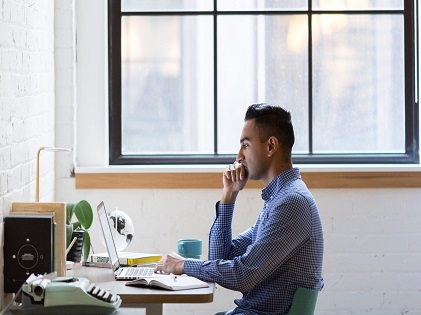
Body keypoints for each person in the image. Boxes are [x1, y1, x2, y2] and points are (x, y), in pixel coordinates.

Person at [155, 103, 324, 315]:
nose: (238, 157)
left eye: (245, 145)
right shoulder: (278, 200)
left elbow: (243, 276)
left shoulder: (291, 203)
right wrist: (229, 196)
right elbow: (221, 258)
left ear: (271, 146)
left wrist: (184, 265)